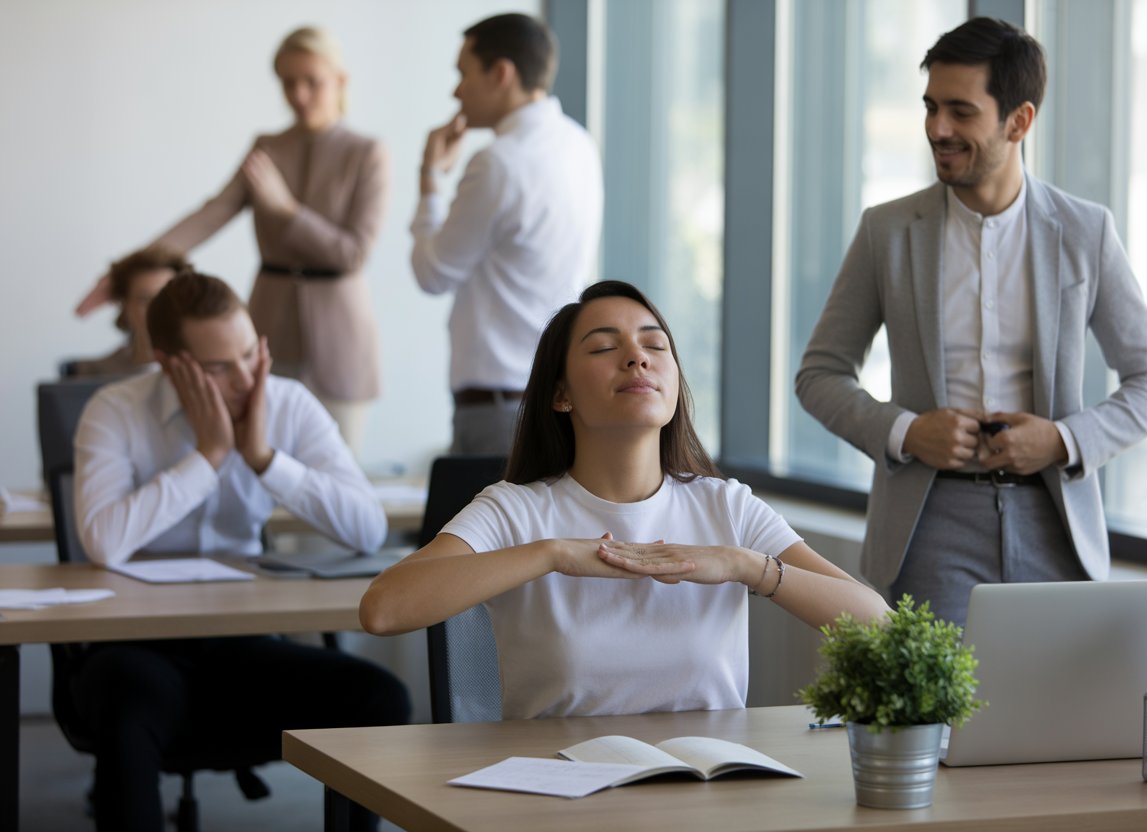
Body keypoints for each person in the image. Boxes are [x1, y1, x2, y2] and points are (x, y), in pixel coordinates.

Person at [795, 17, 1147, 625]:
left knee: (1057, 718)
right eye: (929, 108)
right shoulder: (887, 231)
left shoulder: (1085, 232)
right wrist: (905, 431)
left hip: (1055, 521)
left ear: (1018, 120)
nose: (936, 129)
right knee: (937, 720)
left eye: (960, 111)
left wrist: (1062, 440)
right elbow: (819, 374)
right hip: (928, 524)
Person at [361, 281, 888, 720]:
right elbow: (383, 609)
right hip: (558, 796)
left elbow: (881, 625)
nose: (637, 358)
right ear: (561, 394)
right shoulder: (515, 510)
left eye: (655, 346)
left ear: (676, 384)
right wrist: (554, 554)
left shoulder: (727, 508)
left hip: (705, 792)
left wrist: (742, 565)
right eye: (603, 348)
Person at [73, 272, 409, 832]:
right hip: (138, 649)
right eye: (218, 367)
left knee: (380, 699)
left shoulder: (286, 403)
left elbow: (367, 528)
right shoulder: (115, 410)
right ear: (168, 361)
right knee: (128, 701)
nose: (245, 377)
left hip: (245, 642)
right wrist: (207, 456)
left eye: (251, 353)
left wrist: (263, 457)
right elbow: (103, 540)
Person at [75, 26, 387, 453]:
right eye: (288, 82)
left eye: (311, 81)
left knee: (337, 464)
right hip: (267, 324)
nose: (299, 94)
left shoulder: (368, 152)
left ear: (340, 80)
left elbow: (353, 252)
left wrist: (286, 210)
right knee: (255, 457)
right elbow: (211, 214)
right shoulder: (267, 148)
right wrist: (127, 271)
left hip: (342, 335)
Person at [410, 12, 603, 455]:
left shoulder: (498, 161)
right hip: (556, 395)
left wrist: (429, 179)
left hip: (496, 409)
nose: (455, 91)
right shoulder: (579, 145)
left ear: (501, 73)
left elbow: (432, 273)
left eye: (463, 73)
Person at [70, 246, 189, 377]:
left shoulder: (207, 370)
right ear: (125, 306)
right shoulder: (89, 374)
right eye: (145, 299)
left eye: (168, 298)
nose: (159, 309)